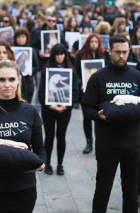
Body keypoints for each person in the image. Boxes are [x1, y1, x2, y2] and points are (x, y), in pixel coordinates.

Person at [0, 59, 46, 213]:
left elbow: (40, 150)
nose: (7, 85)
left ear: (19, 80)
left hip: (24, 188)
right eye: (2, 79)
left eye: (12, 79)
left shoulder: (30, 111)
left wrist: (41, 165)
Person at [82, 34, 140, 212]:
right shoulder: (98, 77)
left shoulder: (137, 76)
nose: (121, 56)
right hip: (107, 144)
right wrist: (97, 116)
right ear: (109, 51)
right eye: (117, 52)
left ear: (129, 51)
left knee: (131, 193)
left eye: (124, 52)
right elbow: (86, 107)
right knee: (102, 191)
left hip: (133, 144)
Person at [38, 43, 78, 176]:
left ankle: (60, 164)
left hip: (64, 111)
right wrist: (50, 105)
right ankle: (47, 162)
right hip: (49, 110)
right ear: (53, 55)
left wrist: (67, 105)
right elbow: (41, 93)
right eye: (57, 54)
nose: (59, 57)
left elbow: (75, 92)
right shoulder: (46, 70)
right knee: (49, 136)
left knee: (61, 136)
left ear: (65, 55)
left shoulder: (70, 71)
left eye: (62, 54)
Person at [74, 34, 109, 154]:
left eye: (96, 42)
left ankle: (100, 142)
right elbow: (76, 73)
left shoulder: (104, 54)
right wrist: (80, 84)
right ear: (88, 43)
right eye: (91, 42)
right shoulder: (80, 55)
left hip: (100, 93)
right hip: (86, 92)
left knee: (100, 117)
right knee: (87, 117)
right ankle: (89, 142)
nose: (94, 44)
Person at [14, 28, 39, 103]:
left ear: (27, 38)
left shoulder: (31, 50)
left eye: (23, 37)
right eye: (19, 37)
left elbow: (37, 66)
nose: (21, 39)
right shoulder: (12, 50)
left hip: (28, 81)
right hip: (15, 81)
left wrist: (29, 70)